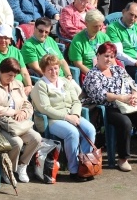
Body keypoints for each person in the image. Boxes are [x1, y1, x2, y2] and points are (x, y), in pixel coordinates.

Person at [83, 42, 137, 171]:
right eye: (106, 56)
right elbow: (99, 95)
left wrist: (134, 95)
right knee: (125, 123)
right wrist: (121, 98)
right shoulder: (93, 74)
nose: (109, 60)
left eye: (112, 57)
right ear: (98, 55)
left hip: (127, 104)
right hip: (107, 107)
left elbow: (132, 84)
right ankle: (123, 158)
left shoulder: (118, 69)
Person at [31, 54, 96, 182]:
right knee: (72, 133)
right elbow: (45, 108)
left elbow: (76, 101)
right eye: (50, 69)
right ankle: (74, 169)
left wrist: (76, 115)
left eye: (56, 68)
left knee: (90, 130)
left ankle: (85, 167)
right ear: (43, 70)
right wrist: (67, 117)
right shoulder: (41, 85)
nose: (54, 72)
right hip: (51, 119)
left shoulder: (65, 82)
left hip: (71, 115)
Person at [0, 58, 41, 183]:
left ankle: (22, 165)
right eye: (9, 75)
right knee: (16, 143)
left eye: (14, 76)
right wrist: (13, 112)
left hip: (17, 123)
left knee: (36, 138)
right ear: (1, 71)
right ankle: (8, 170)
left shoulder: (17, 84)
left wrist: (24, 112)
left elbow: (27, 104)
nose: (12, 79)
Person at [68, 9, 110, 76]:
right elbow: (78, 64)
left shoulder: (104, 37)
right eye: (95, 26)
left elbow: (111, 57)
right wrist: (93, 75)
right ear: (86, 24)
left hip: (105, 70)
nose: (98, 29)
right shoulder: (78, 40)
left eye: (100, 26)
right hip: (88, 73)